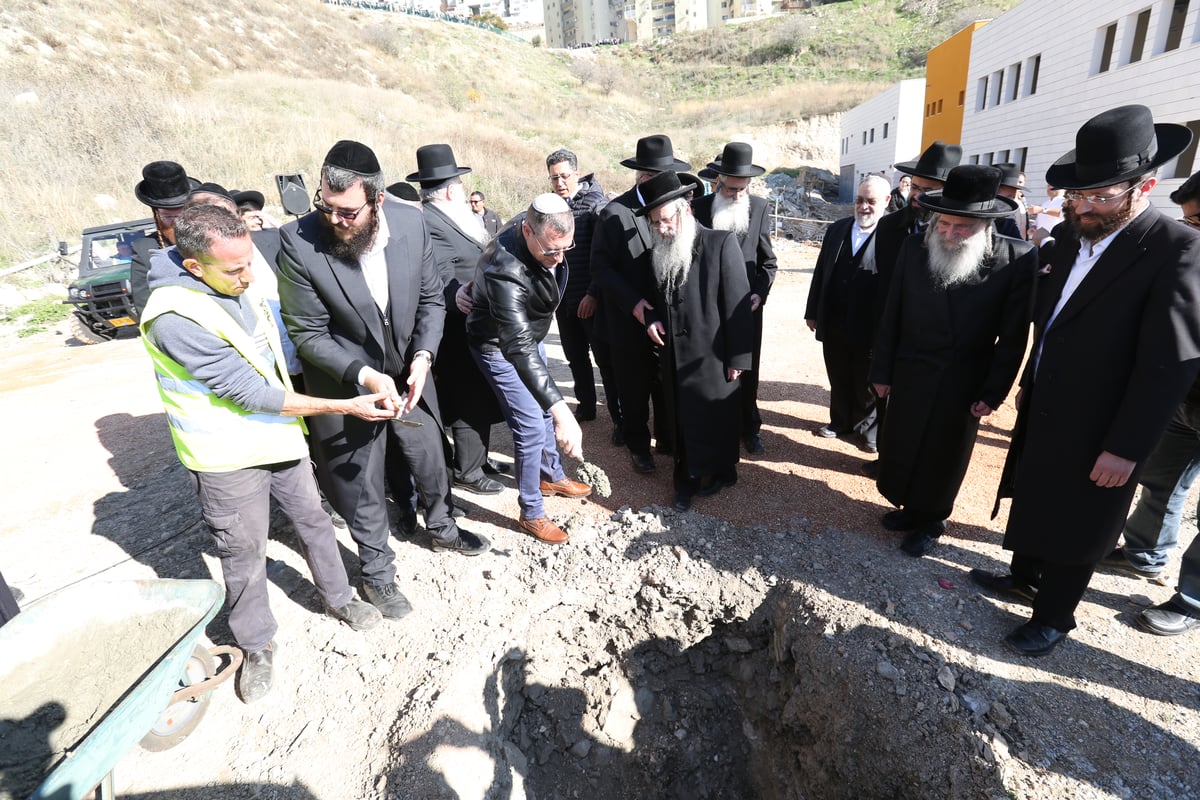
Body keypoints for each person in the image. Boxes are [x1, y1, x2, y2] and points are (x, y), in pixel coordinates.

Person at [974, 105, 1200, 657]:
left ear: (1144, 186)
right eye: (1079, 194)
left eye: (1101, 196)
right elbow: (1052, 320)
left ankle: (1054, 617)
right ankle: (1024, 574)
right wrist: (1031, 379)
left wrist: (1125, 448)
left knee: (1083, 516)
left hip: (1107, 418)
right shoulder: (1074, 236)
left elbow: (1170, 362)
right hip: (1049, 398)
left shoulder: (1177, 249)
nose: (1084, 206)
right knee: (1035, 489)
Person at [140, 204, 386, 702]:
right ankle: (256, 643)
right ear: (194, 267)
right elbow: (250, 392)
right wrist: (344, 406)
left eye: (249, 261)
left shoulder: (235, 282)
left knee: (314, 520)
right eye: (235, 269)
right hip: (225, 456)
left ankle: (338, 598)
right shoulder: (172, 317)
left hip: (277, 438)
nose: (249, 276)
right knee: (243, 551)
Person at [277, 140, 491, 623]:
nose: (334, 220)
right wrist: (364, 374)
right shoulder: (299, 241)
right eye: (325, 207)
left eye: (348, 211)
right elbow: (307, 333)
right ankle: (376, 572)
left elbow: (432, 300)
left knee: (430, 457)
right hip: (347, 383)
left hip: (409, 375)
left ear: (376, 201)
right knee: (363, 480)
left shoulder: (412, 225)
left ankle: (442, 527)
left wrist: (422, 356)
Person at [870, 165, 1036, 557]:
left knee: (944, 453)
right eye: (943, 224)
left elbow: (1013, 337)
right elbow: (892, 313)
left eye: (961, 228)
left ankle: (932, 518)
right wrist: (882, 369)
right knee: (905, 441)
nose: (948, 233)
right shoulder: (915, 247)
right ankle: (909, 506)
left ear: (985, 225)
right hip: (911, 369)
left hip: (964, 378)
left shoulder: (1016, 258)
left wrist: (992, 392)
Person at [1100, 170, 1200, 636]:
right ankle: (1145, 554)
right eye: (1188, 221)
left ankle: (1193, 599)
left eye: (1198, 222)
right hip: (1186, 405)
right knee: (1161, 481)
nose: (1190, 232)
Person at [466, 194, 591, 545]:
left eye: (566, 248)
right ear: (527, 231)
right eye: (551, 251)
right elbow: (516, 347)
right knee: (532, 424)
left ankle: (551, 476)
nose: (559, 258)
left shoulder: (538, 222)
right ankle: (532, 512)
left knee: (543, 407)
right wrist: (562, 410)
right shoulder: (504, 268)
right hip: (499, 345)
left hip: (528, 334)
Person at [639, 171, 753, 512]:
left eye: (665, 221)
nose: (661, 229)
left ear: (684, 211)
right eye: (655, 223)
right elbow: (654, 299)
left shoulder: (720, 243)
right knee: (684, 420)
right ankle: (685, 480)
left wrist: (739, 358)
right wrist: (649, 319)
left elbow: (737, 305)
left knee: (716, 417)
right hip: (675, 356)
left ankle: (723, 471)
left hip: (714, 356)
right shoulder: (660, 249)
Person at [590, 134, 691, 475]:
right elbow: (601, 269)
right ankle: (638, 445)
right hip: (627, 321)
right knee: (633, 390)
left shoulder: (676, 206)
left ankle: (666, 438)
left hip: (668, 320)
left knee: (666, 385)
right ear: (645, 177)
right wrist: (637, 306)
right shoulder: (614, 213)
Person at [861, 142, 963, 478]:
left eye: (928, 190)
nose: (918, 196)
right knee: (884, 396)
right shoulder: (891, 227)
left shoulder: (964, 233)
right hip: (892, 332)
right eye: (915, 187)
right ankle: (886, 457)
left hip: (939, 345)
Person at [410, 144, 505, 497]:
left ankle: (479, 460)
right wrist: (455, 295)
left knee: (479, 395)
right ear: (451, 190)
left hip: (473, 318)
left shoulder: (447, 216)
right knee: (468, 398)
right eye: (461, 187)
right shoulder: (430, 222)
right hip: (454, 324)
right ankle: (468, 469)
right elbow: (436, 271)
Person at [690, 142, 777, 456]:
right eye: (730, 189)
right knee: (711, 369)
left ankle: (749, 428)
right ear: (717, 182)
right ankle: (715, 426)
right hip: (708, 309)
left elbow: (768, 262)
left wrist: (759, 293)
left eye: (742, 189)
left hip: (746, 307)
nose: (737, 195)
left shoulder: (760, 207)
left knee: (747, 373)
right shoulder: (698, 209)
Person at [804, 175, 891, 453]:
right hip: (835, 319)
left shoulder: (893, 236)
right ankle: (839, 421)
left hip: (870, 324)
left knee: (867, 380)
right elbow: (820, 272)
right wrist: (812, 310)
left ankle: (867, 429)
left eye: (871, 201)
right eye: (860, 200)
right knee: (838, 373)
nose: (864, 206)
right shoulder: (837, 229)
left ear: (886, 202)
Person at [545, 148, 616, 427]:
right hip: (563, 300)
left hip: (591, 299)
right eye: (554, 178)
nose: (560, 183)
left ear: (576, 173)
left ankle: (619, 419)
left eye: (564, 176)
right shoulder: (551, 206)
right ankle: (586, 407)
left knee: (605, 362)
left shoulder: (595, 205)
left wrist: (593, 293)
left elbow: (605, 256)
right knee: (575, 358)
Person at [130, 160, 199, 317]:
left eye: (181, 214)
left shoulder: (212, 237)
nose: (176, 221)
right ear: (157, 215)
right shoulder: (144, 249)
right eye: (168, 216)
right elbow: (144, 305)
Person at [992, 163, 1028, 240]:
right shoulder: (976, 221)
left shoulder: (1008, 222)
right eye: (1008, 197)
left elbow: (1019, 244)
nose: (1012, 202)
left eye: (1013, 197)